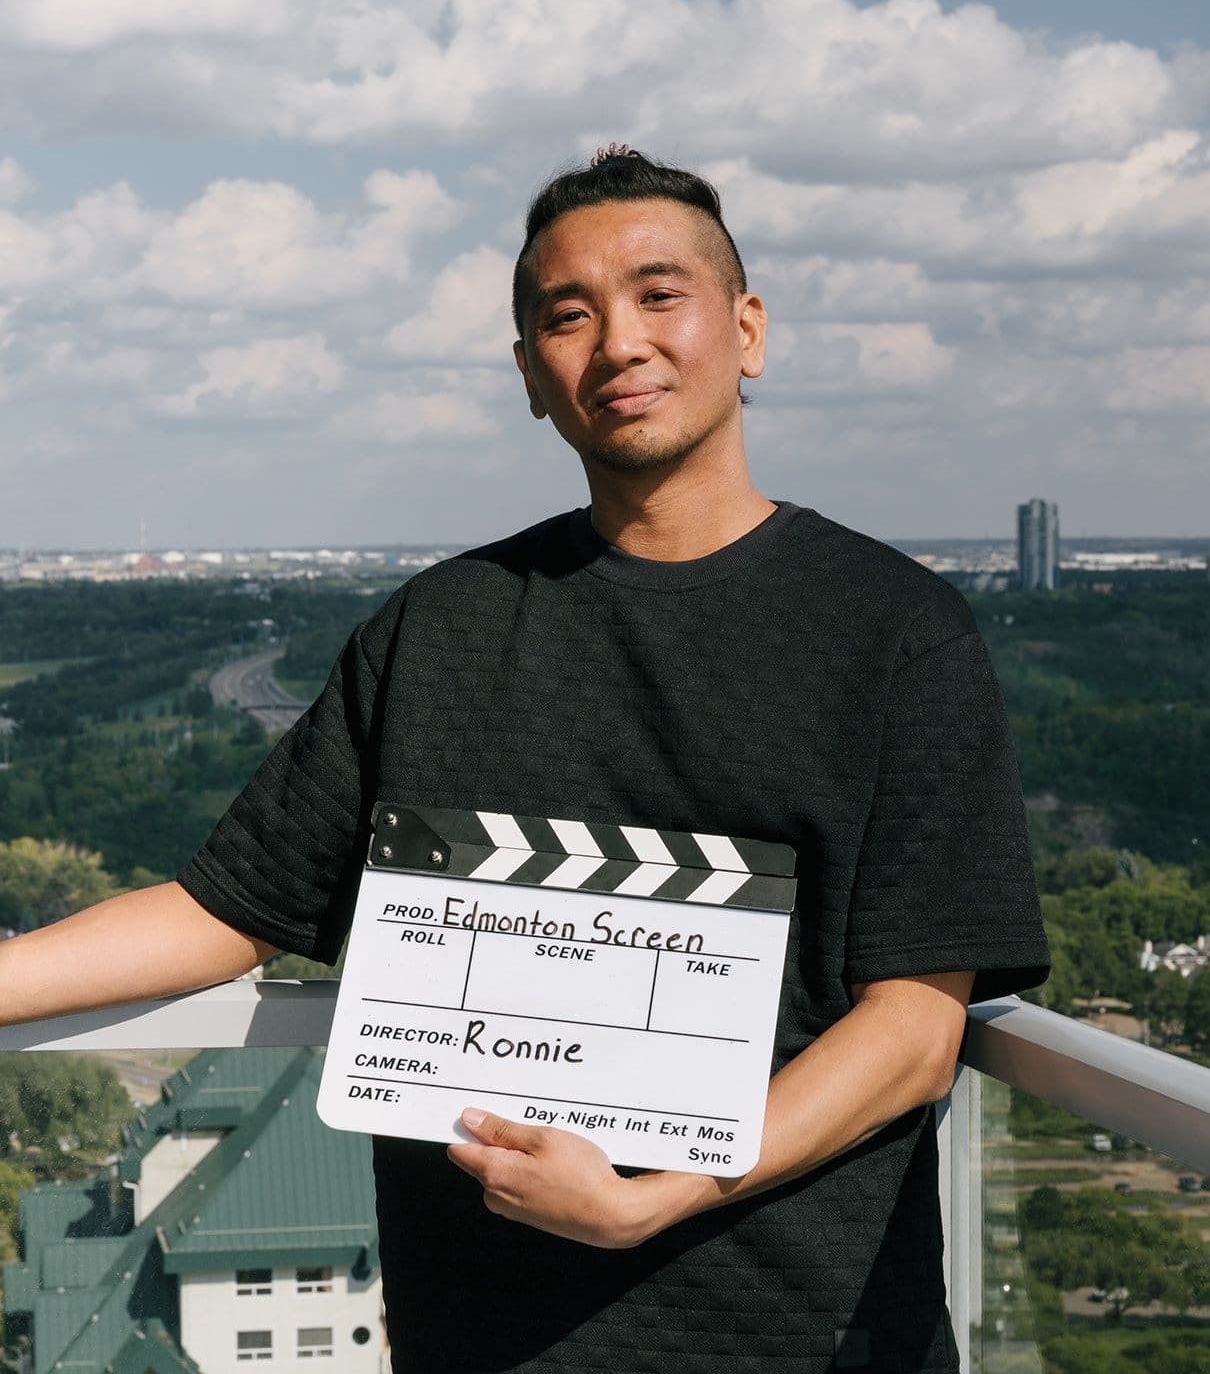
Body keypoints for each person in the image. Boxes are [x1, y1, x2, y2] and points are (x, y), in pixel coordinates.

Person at [0, 148, 1049, 1373]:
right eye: (568, 314)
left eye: (660, 294)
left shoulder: (897, 632)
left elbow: (914, 1025)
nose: (618, 342)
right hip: (485, 1331)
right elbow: (223, 912)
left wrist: (663, 1192)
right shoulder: (438, 627)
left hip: (808, 1330)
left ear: (746, 329)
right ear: (530, 378)